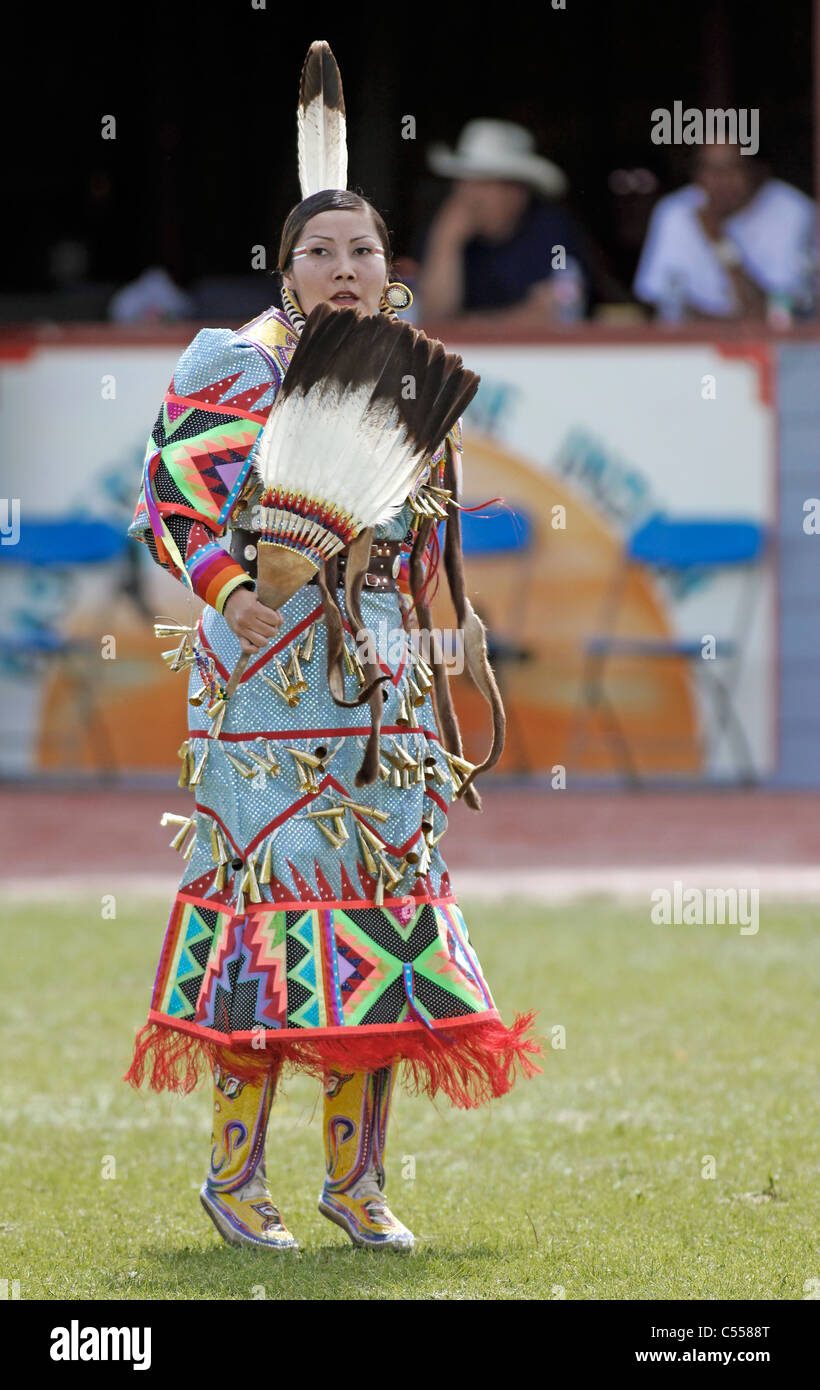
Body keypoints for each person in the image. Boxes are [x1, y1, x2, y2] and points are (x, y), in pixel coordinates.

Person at [123, 41, 542, 1254]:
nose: (345, 268)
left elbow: (415, 534)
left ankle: (355, 1185)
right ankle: (234, 1177)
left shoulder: (406, 380)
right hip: (261, 686)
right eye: (321, 251)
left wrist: (428, 625)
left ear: (388, 270)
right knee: (265, 921)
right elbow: (169, 497)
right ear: (286, 268)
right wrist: (227, 586)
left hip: (375, 691)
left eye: (364, 251)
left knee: (378, 925)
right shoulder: (234, 362)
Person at [415, 119, 590, 324]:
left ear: (518, 192)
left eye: (483, 182)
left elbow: (558, 315)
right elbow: (432, 321)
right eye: (462, 180)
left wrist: (466, 324)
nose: (468, 194)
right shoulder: (441, 230)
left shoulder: (553, 231)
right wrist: (447, 243)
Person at [633, 142, 816, 322]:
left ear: (759, 171)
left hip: (768, 340)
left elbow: (775, 316)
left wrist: (720, 241)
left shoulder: (793, 212)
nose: (721, 180)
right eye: (710, 169)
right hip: (695, 340)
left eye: (732, 168)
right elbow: (661, 304)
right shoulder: (676, 211)